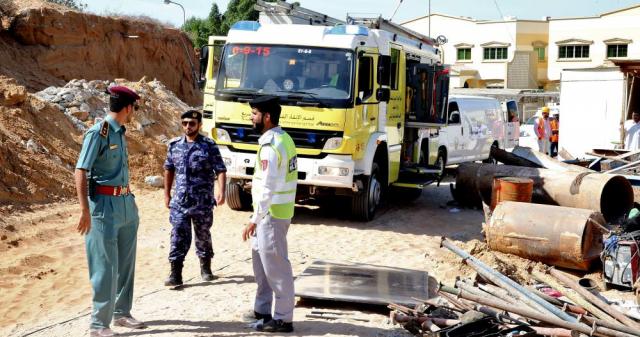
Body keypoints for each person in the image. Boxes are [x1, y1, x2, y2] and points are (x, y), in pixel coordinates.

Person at [75, 86, 146, 337]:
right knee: (105, 267)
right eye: (134, 107)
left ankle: (121, 313)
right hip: (103, 206)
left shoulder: (120, 133)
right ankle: (98, 325)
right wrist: (84, 210)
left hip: (125, 203)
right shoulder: (98, 133)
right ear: (127, 107)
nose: (134, 112)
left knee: (126, 264)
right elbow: (81, 170)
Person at [242, 96, 297, 333]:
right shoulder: (282, 139)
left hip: (271, 215)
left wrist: (254, 219)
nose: (251, 118)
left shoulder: (271, 145)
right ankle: (263, 311)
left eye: (254, 113)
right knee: (262, 266)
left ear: (267, 117)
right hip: (268, 215)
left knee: (276, 268)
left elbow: (268, 186)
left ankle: (283, 318)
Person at [163, 110, 227, 287]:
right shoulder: (174, 145)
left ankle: (206, 269)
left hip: (202, 202)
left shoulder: (209, 145)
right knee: (177, 236)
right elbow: (169, 169)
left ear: (199, 125)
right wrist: (166, 194)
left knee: (203, 235)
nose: (187, 127)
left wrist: (221, 192)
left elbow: (220, 169)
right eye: (184, 123)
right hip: (180, 202)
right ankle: (176, 274)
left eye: (191, 123)